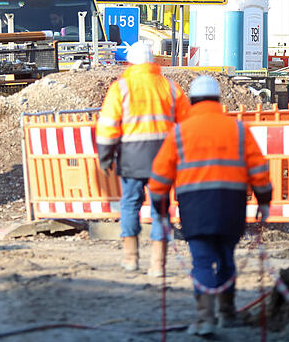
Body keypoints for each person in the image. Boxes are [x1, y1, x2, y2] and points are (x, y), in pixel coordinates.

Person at [148, 76, 272, 336]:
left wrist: (160, 211)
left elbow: (159, 177)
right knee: (227, 258)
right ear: (218, 99)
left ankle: (206, 320)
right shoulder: (237, 129)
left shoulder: (180, 132)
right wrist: (264, 202)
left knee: (202, 261)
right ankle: (227, 314)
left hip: (195, 206)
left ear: (192, 101)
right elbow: (259, 168)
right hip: (231, 204)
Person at [96, 40, 189, 276]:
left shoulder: (121, 87)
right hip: (164, 159)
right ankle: (158, 264)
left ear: (130, 62)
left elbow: (108, 126)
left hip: (131, 157)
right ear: (153, 62)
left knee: (130, 203)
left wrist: (105, 156)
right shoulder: (170, 87)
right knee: (161, 207)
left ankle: (130, 258)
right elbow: (187, 125)